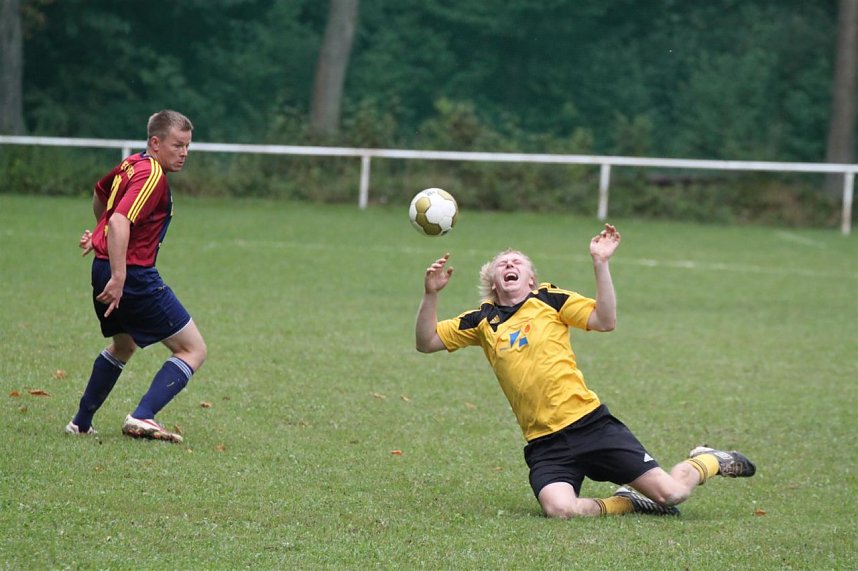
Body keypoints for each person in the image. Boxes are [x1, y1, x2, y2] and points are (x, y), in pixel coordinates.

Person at [414, 224, 755, 517]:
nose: (510, 264)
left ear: (531, 278)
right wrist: (430, 294)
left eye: (517, 262)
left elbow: (605, 321)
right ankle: (629, 503)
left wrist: (600, 263)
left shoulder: (548, 299)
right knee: (559, 510)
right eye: (503, 263)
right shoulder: (481, 321)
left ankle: (708, 460)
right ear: (494, 280)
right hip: (545, 443)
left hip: (590, 425)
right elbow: (426, 341)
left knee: (672, 494)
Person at [65, 110, 206, 443]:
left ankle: (81, 423)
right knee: (192, 349)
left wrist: (101, 241)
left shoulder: (132, 164)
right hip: (132, 276)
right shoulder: (152, 175)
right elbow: (118, 221)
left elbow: (101, 196)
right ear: (155, 143)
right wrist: (119, 274)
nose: (184, 153)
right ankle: (143, 415)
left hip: (103, 268)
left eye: (187, 146)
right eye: (177, 145)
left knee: (123, 344)